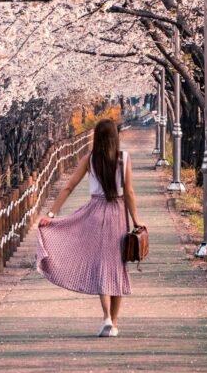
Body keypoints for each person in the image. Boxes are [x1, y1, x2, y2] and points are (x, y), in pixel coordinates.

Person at [37, 117, 141, 337]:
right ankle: (114, 321)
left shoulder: (90, 159)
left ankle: (106, 318)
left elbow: (68, 186)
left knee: (101, 265)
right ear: (115, 137)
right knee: (117, 267)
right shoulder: (123, 159)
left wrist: (52, 214)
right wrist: (136, 221)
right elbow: (129, 192)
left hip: (94, 212)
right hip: (117, 214)